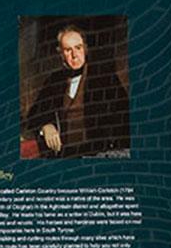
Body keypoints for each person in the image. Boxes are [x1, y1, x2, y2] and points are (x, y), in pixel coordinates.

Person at [25, 26, 130, 158]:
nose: (74, 55)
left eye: (78, 48)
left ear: (85, 49)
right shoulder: (54, 80)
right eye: (68, 50)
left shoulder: (104, 77)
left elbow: (124, 116)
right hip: (63, 155)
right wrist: (46, 126)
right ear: (61, 53)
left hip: (97, 154)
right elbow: (34, 114)